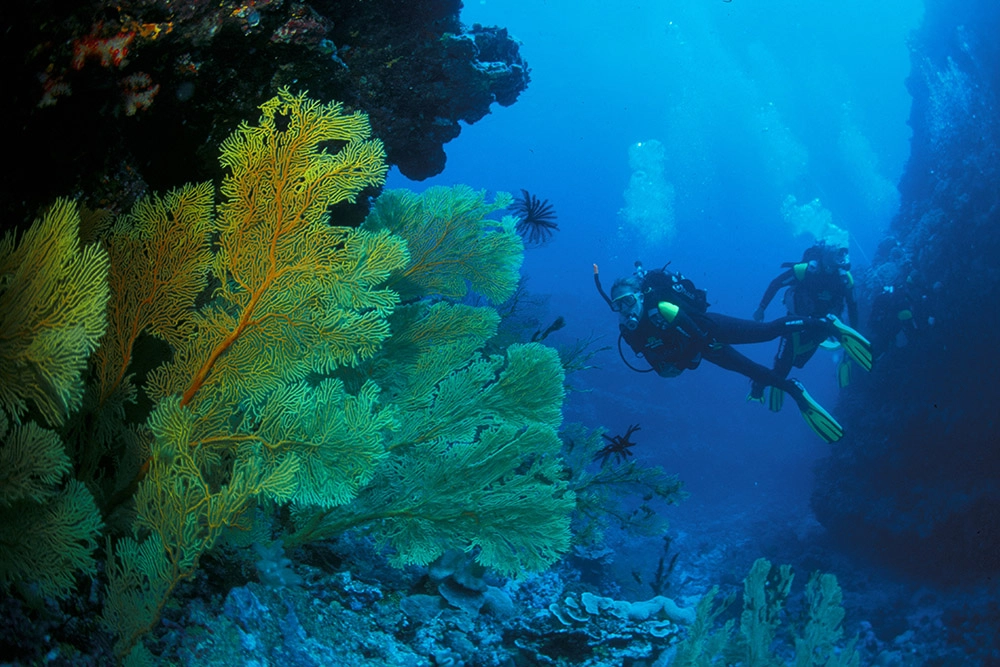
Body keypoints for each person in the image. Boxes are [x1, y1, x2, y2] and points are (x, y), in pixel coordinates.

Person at [594, 261, 873, 444]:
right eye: (618, 306)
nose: (625, 310)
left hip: (711, 330)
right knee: (750, 370)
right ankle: (794, 390)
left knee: (767, 331)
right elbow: (664, 368)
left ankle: (826, 324)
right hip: (704, 349)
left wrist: (695, 350)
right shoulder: (630, 333)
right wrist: (681, 360)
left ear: (640, 296)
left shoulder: (659, 307)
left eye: (628, 301)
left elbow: (693, 329)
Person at [750, 241, 864, 409]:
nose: (840, 259)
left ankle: (777, 378)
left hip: (820, 328)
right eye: (836, 254)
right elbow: (776, 283)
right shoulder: (806, 270)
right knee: (782, 368)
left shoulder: (844, 279)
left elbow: (853, 307)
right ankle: (757, 387)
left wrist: (853, 335)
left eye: (842, 255)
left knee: (799, 362)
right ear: (825, 254)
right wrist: (761, 308)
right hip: (795, 324)